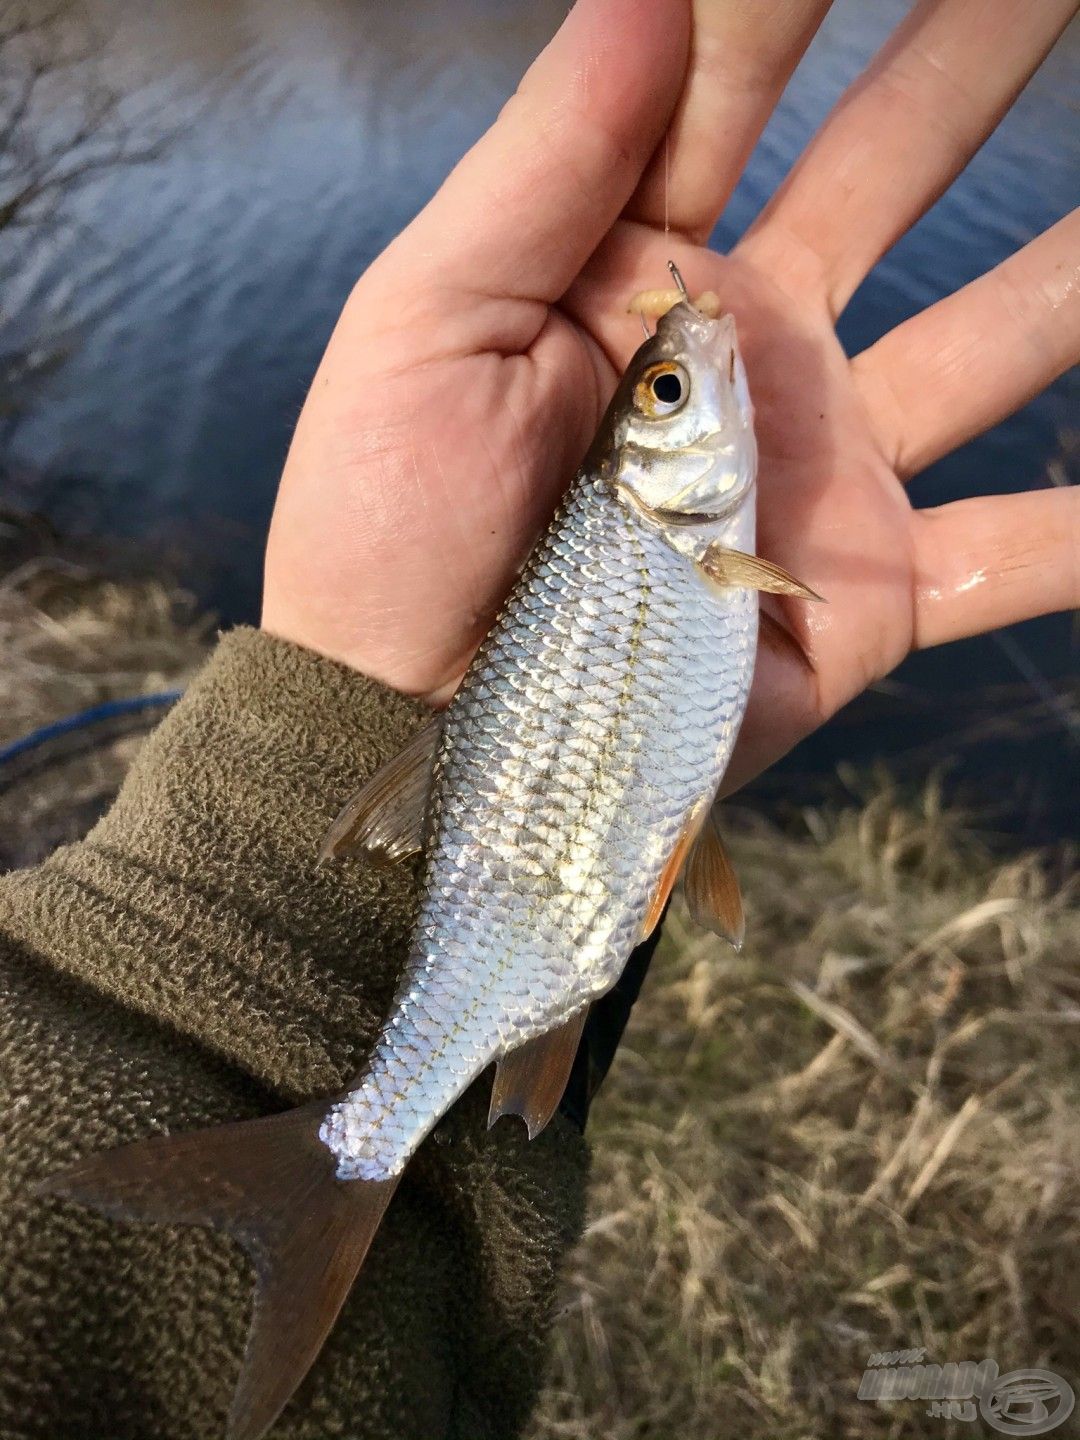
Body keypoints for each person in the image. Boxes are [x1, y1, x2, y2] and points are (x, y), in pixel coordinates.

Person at [1, 1, 1076, 1436]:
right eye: (678, 388)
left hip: (519, 886)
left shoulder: (694, 539)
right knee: (519, 991)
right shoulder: (684, 538)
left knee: (534, 974)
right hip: (519, 899)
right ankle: (346, 1160)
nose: (695, 369)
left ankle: (350, 1162)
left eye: (669, 384)